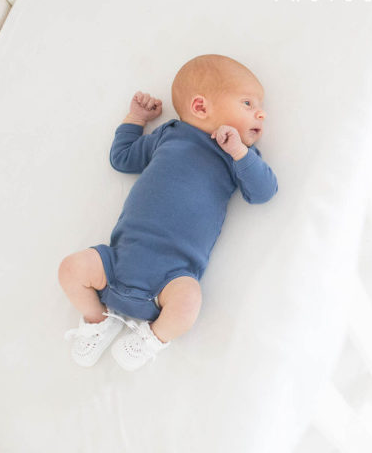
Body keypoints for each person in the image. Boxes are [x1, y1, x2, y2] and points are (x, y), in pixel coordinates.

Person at [59, 54, 278, 371]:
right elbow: (122, 158)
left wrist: (240, 153)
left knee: (190, 301)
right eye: (247, 103)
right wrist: (136, 118)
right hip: (116, 264)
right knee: (71, 268)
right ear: (201, 107)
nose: (261, 112)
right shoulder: (169, 135)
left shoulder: (238, 157)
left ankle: (153, 338)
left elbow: (263, 192)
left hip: (170, 282)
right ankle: (96, 321)